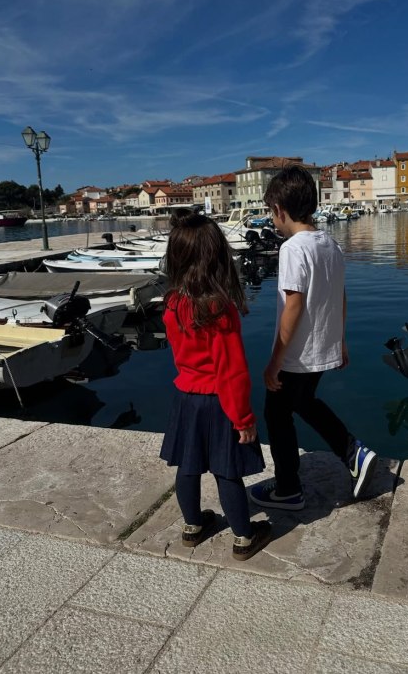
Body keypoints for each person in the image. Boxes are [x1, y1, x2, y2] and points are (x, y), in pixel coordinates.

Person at [250, 166, 377, 511]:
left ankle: (288, 489)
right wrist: (340, 341)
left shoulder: (293, 248)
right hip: (323, 348)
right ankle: (353, 451)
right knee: (304, 403)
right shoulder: (331, 245)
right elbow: (340, 295)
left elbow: (293, 305)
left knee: (276, 416)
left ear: (279, 209)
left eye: (270, 211)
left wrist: (274, 361)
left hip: (297, 354)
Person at [160, 212, 271, 560]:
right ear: (218, 256)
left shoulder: (174, 304)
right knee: (228, 471)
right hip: (219, 402)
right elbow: (232, 372)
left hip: (186, 399)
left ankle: (193, 526)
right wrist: (244, 419)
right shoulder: (218, 309)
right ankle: (243, 536)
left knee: (188, 466)